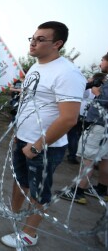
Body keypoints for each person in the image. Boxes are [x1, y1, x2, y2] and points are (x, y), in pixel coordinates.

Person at [0, 21, 86, 248]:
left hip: (45, 146)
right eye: (33, 38)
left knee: (39, 191)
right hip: (24, 137)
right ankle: (15, 214)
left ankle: (29, 234)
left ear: (57, 44)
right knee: (20, 182)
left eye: (41, 39)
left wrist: (37, 145)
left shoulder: (67, 73)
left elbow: (69, 118)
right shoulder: (37, 66)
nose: (34, 43)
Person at [58, 53, 108, 204]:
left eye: (102, 60)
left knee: (88, 159)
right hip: (104, 128)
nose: (100, 63)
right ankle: (101, 189)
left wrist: (97, 91)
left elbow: (104, 101)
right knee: (105, 159)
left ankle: (78, 192)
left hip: (99, 125)